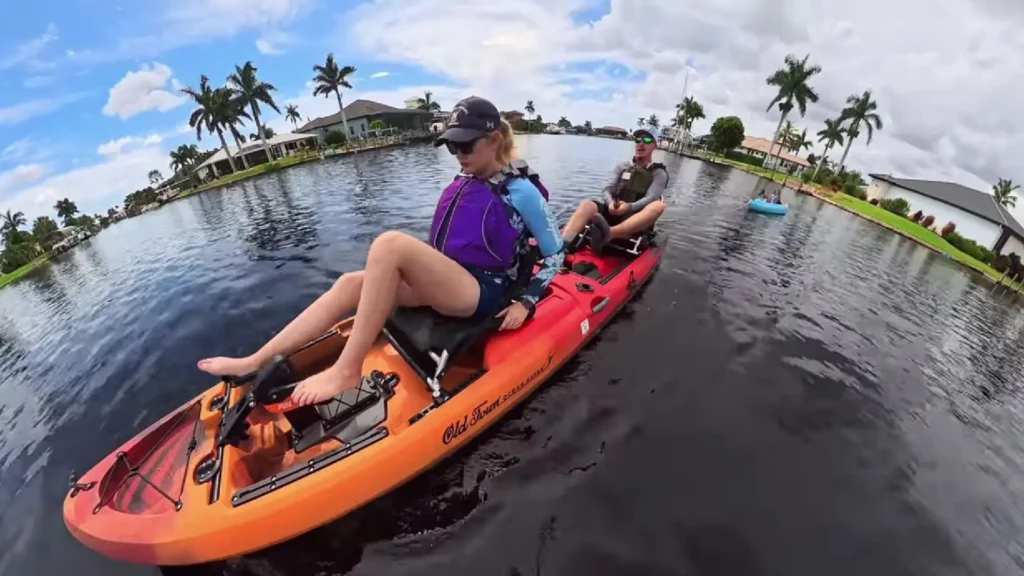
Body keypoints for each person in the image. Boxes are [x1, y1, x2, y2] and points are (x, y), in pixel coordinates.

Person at [197, 96, 565, 406]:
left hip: (482, 292)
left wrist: (527, 302)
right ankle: (253, 361)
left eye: (466, 145)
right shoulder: (467, 180)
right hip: (452, 281)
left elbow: (555, 254)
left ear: (495, 139)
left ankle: (346, 369)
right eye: (453, 146)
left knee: (389, 245)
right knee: (350, 284)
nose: (458, 154)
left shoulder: (522, 192)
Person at [560, 126, 668, 251]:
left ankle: (608, 234)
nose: (641, 143)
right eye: (638, 139)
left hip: (636, 219)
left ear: (655, 145)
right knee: (587, 205)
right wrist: (610, 203)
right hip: (614, 212)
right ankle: (562, 244)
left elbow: (651, 197)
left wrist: (629, 207)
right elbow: (607, 189)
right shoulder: (623, 167)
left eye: (647, 140)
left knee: (659, 205)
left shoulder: (659, 173)